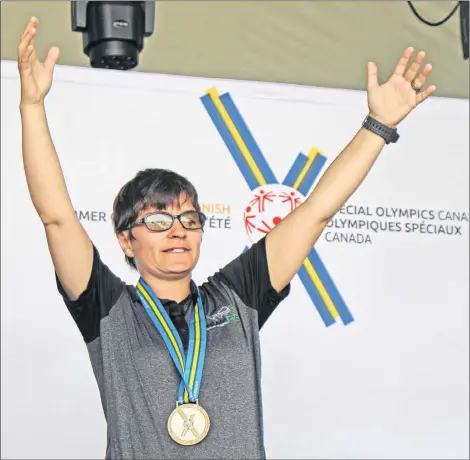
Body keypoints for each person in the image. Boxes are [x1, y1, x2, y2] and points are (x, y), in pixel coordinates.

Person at [17, 15, 436, 460]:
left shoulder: (237, 297)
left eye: (189, 218)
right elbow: (57, 216)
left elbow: (316, 212)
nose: (178, 230)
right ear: (126, 240)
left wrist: (377, 125)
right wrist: (31, 107)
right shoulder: (109, 310)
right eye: (158, 221)